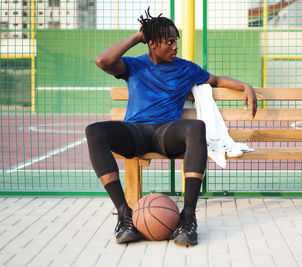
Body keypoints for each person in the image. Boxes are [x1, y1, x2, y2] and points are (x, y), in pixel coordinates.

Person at [85, 8, 257, 246]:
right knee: (94, 131)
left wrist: (245, 86)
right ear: (153, 43)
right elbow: (102, 61)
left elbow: (216, 80)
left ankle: (188, 218)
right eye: (169, 42)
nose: (175, 47)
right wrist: (137, 37)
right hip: (135, 133)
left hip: (166, 133)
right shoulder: (133, 66)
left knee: (196, 127)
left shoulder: (186, 68)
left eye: (176, 41)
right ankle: (125, 217)